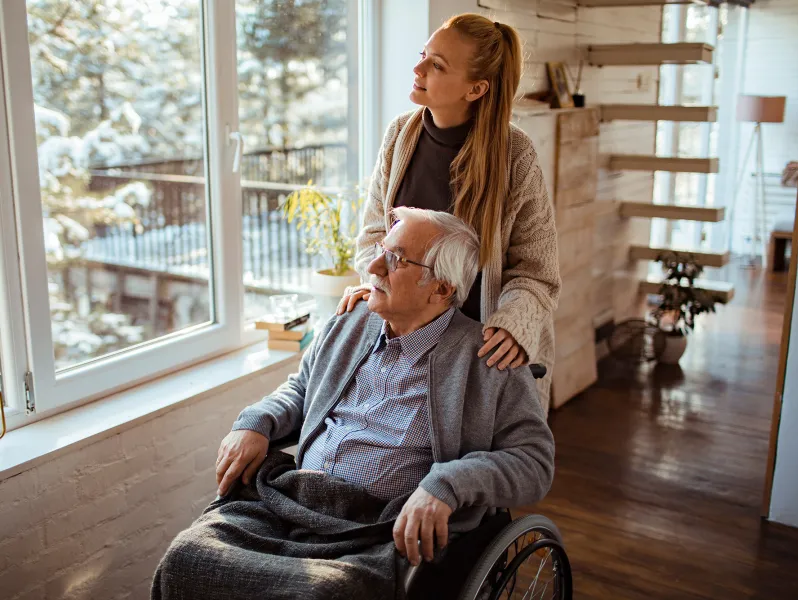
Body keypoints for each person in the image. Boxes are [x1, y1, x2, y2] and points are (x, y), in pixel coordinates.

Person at [152, 208, 555, 600]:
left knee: (323, 592)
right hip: (291, 501)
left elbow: (534, 462)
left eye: (395, 259)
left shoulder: (489, 360)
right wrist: (256, 422)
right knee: (186, 559)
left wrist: (448, 484)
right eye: (382, 247)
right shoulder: (349, 321)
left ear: (442, 288)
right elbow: (301, 390)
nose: (374, 266)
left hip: (377, 529)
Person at [338, 13, 561, 410]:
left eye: (437, 65)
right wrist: (379, 283)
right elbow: (374, 237)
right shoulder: (399, 136)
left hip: (481, 354)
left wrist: (512, 325)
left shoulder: (515, 154)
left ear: (475, 89)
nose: (418, 68)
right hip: (408, 346)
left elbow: (536, 272)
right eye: (424, 54)